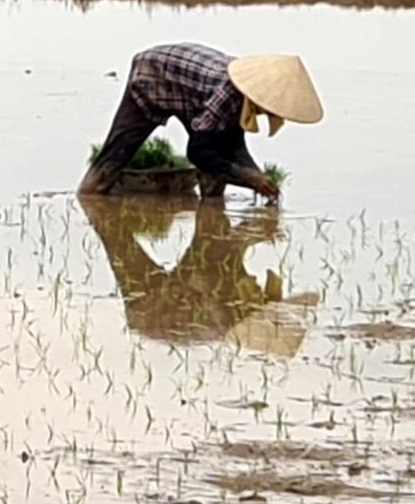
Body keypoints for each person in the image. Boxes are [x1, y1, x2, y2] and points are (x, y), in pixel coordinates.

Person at [79, 45, 322, 201]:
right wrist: (248, 178)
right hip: (153, 75)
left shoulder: (245, 95)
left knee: (216, 165)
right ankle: (89, 199)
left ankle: (210, 220)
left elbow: (233, 144)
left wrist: (257, 176)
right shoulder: (228, 93)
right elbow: (197, 152)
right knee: (117, 153)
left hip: (193, 91)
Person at [80, 195, 316, 355]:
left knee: (119, 245)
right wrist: (256, 228)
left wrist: (255, 229)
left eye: (257, 289)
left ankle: (98, 207)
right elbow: (215, 249)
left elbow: (221, 250)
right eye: (258, 287)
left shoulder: (223, 300)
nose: (255, 281)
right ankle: (97, 204)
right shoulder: (222, 297)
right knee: (118, 242)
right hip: (155, 311)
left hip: (154, 312)